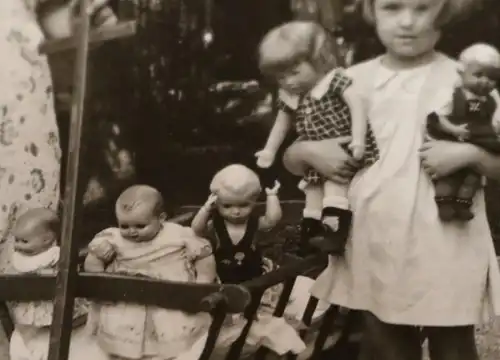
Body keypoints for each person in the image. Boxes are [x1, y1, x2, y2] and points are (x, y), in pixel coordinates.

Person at [282, 0, 500, 359]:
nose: (407, 22)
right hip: (376, 230)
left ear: (442, 14)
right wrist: (308, 151)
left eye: (422, 8)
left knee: (452, 345)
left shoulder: (470, 79)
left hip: (448, 234)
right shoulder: (350, 81)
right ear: (372, 13)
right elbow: (291, 159)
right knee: (385, 343)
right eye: (392, 8)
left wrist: (471, 155)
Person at [1, 1, 115, 359]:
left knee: (24, 223)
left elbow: (61, 19)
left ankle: (28, 339)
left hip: (15, 95)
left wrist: (86, 16)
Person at [254, 21, 379, 255]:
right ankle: (310, 234)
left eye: (294, 72)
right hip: (316, 153)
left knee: (334, 187)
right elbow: (282, 122)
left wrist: (358, 139)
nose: (289, 82)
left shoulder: (335, 81)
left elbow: (357, 108)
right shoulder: (295, 94)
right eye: (281, 78)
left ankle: (335, 233)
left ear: (320, 60)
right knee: (313, 192)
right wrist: (270, 150)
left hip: (343, 145)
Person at [84, 185, 216, 360]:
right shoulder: (113, 238)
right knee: (121, 338)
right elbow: (93, 263)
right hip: (127, 298)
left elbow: (204, 256)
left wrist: (202, 284)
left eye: (140, 226)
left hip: (170, 297)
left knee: (171, 340)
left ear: (161, 219)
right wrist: (101, 278)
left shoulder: (179, 235)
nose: (131, 231)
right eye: (124, 225)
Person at [8, 209, 103, 360]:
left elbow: (67, 270)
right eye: (17, 240)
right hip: (33, 304)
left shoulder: (56, 256)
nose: (19, 246)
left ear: (47, 240)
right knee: (28, 334)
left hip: (54, 304)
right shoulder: (19, 258)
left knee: (72, 334)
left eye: (25, 241)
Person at [426, 43, 500, 221]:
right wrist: (453, 129)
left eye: (491, 78)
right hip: (453, 136)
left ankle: (463, 204)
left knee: (472, 178)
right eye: (478, 75)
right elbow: (437, 117)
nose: (484, 81)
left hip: (478, 139)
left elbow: (495, 122)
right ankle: (445, 204)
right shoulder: (452, 94)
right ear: (461, 73)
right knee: (449, 176)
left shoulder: (493, 98)